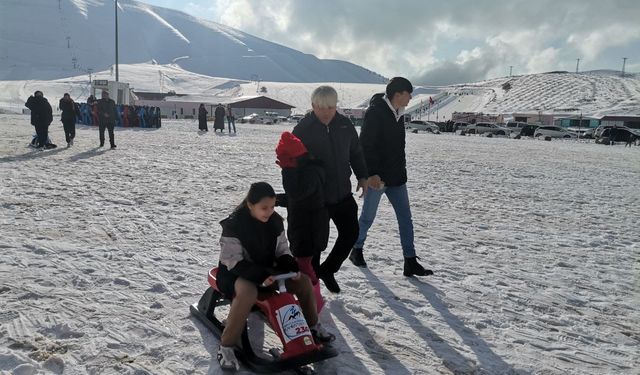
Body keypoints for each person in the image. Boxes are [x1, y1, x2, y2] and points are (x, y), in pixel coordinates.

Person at [215, 182, 334, 371]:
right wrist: (261, 276)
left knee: (303, 281)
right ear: (250, 205)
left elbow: (282, 250)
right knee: (248, 292)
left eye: (272, 207)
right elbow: (233, 261)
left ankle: (312, 326)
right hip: (236, 272)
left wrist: (291, 267)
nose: (269, 212)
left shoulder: (275, 221)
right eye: (264, 208)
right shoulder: (234, 225)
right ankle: (226, 346)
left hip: (268, 269)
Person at [349, 77, 433, 277]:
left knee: (405, 218)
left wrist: (401, 170)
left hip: (397, 177)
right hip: (378, 178)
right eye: (408, 93)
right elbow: (365, 146)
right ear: (398, 94)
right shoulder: (376, 113)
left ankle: (410, 261)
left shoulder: (400, 113)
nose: (410, 97)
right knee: (368, 217)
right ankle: (356, 249)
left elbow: (398, 148)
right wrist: (371, 174)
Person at [292, 86, 368, 293]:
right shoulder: (302, 130)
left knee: (351, 233)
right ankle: (313, 288)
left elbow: (356, 152)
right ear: (313, 106)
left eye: (331, 107)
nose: (326, 112)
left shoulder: (345, 125)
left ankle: (328, 270)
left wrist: (362, 176)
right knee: (316, 245)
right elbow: (292, 165)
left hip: (342, 193)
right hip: (316, 199)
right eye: (321, 107)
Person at [275, 132, 329, 307]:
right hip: (308, 229)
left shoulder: (309, 174)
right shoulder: (307, 171)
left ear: (292, 158)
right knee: (307, 266)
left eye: (284, 159)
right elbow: (295, 199)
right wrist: (275, 199)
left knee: (304, 267)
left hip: (308, 231)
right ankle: (312, 299)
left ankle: (314, 302)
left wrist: (287, 171)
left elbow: (296, 193)